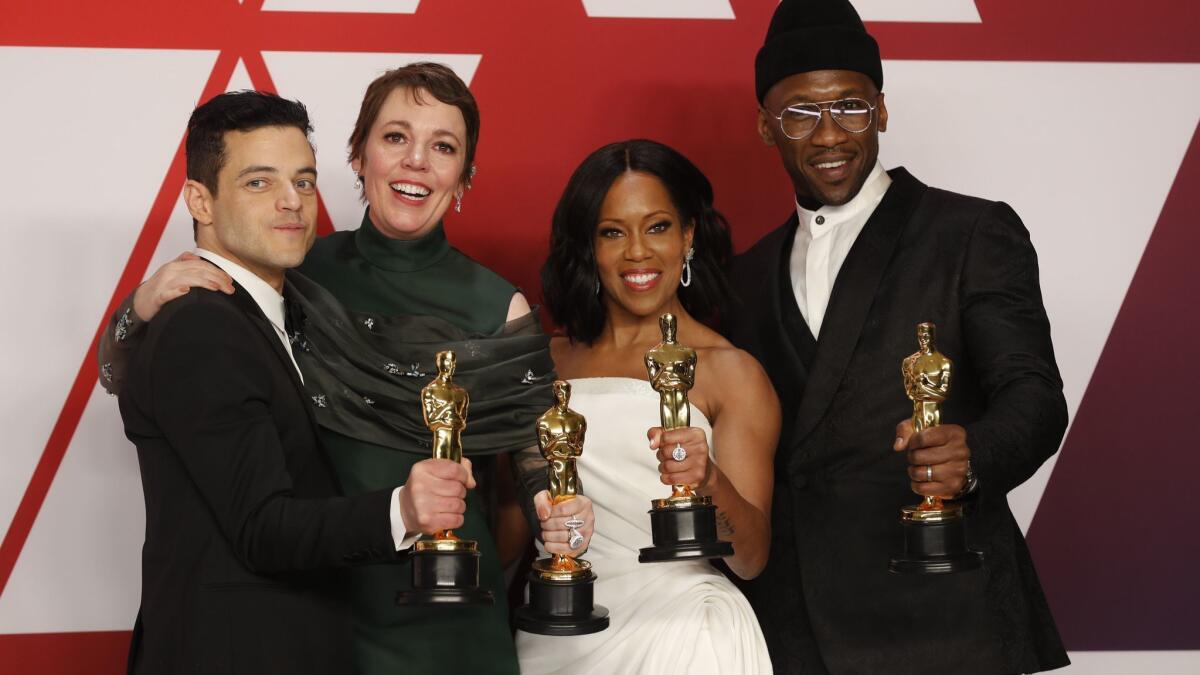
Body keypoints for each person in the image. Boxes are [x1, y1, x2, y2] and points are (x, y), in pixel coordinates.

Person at [99, 64, 593, 675]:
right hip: (313, 603)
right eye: (395, 138)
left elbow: (538, 457)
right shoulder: (292, 267)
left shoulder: (500, 306)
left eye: (442, 147)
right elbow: (131, 380)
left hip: (447, 605)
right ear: (358, 155)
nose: (416, 161)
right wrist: (137, 307)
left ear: (464, 175)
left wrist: (560, 507)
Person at [722, 1, 1071, 672]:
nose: (830, 135)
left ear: (881, 109)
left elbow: (1035, 398)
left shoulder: (970, 234)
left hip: (948, 615)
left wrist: (972, 454)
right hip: (796, 630)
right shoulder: (743, 275)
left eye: (850, 108)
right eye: (800, 114)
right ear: (766, 125)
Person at [117, 90, 477, 674]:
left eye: (304, 182)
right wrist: (403, 511)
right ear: (199, 201)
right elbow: (262, 527)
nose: (291, 202)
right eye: (259, 183)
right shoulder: (204, 328)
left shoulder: (282, 310)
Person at [520, 139, 778, 674]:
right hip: (555, 634)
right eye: (613, 232)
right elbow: (511, 526)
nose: (637, 252)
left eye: (657, 226)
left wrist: (709, 482)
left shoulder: (731, 372)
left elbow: (752, 559)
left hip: (682, 638)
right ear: (589, 246)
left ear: (688, 235)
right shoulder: (543, 363)